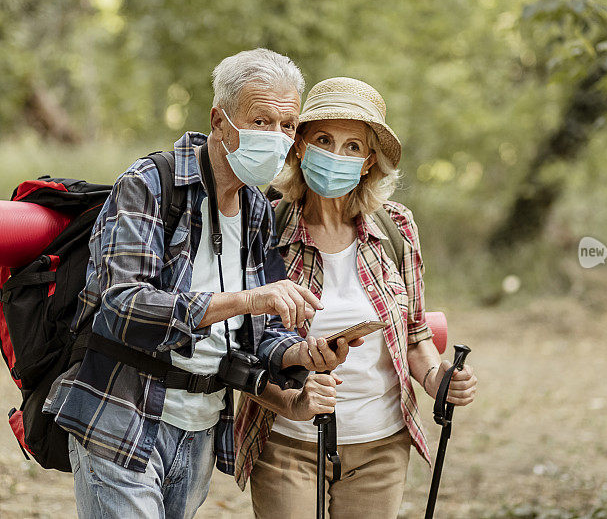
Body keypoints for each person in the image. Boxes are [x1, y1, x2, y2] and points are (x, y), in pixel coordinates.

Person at [42, 49, 361, 519]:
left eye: (287, 126)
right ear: (219, 119)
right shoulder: (150, 183)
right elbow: (122, 305)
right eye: (260, 120)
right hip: (123, 415)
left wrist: (301, 354)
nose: (275, 137)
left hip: (202, 427)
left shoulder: (255, 209)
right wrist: (245, 299)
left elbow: (263, 331)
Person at [234, 77, 478, 518]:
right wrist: (293, 402)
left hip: (380, 445)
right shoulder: (262, 228)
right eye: (324, 140)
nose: (336, 156)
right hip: (289, 440)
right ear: (300, 146)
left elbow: (416, 336)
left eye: (352, 147)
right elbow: (242, 350)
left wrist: (439, 380)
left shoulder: (397, 229)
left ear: (368, 162)